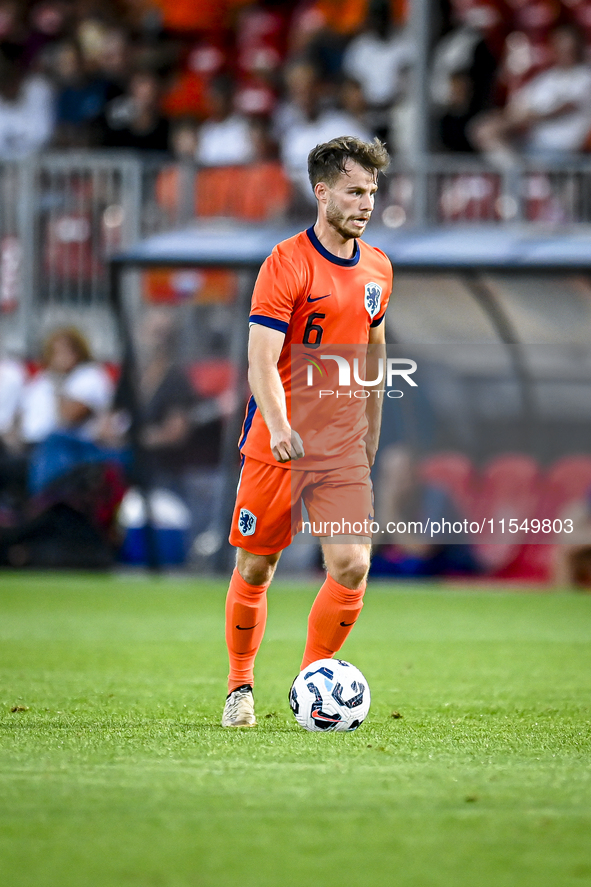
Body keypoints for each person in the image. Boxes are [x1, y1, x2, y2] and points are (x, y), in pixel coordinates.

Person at [221, 134, 392, 727]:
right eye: (354, 191)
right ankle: (239, 685)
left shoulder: (378, 268)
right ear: (321, 192)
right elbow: (260, 361)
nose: (366, 203)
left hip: (340, 448)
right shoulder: (286, 263)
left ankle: (311, 679)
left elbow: (373, 355)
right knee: (256, 569)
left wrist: (370, 434)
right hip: (278, 443)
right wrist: (280, 426)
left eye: (371, 191)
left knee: (351, 564)